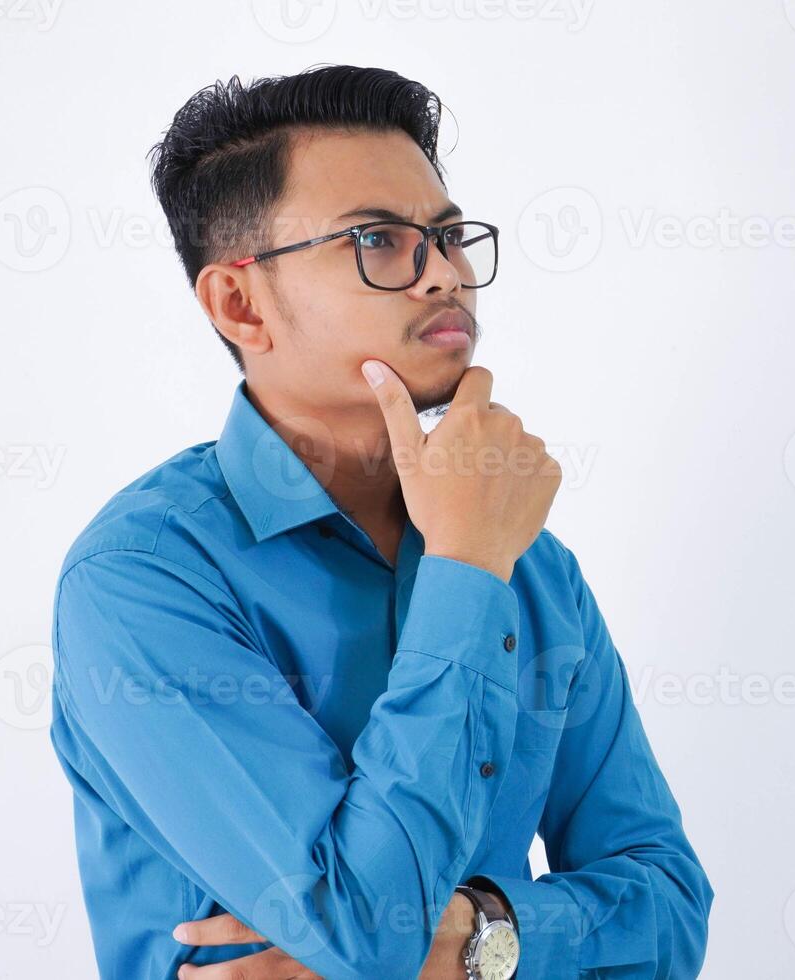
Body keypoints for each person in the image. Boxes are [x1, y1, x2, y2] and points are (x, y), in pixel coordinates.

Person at [47, 64, 713, 979]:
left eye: (447, 236)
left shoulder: (531, 561)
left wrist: (481, 937)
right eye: (378, 239)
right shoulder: (143, 577)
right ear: (239, 302)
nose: (443, 273)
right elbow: (370, 930)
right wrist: (467, 571)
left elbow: (674, 912)